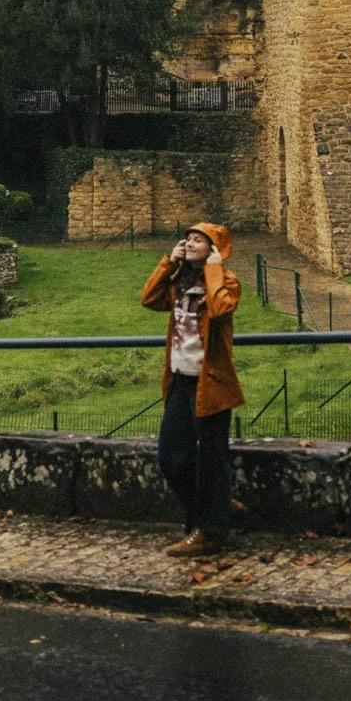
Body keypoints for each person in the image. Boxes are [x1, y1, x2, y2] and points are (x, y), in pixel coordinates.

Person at [141, 221, 244, 557]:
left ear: (215, 248)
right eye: (188, 238)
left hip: (210, 383)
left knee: (212, 460)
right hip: (179, 381)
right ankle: (218, 507)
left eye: (198, 239)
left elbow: (220, 308)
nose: (190, 242)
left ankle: (209, 532)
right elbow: (148, 299)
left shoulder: (226, 282)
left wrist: (214, 270)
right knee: (172, 458)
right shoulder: (178, 284)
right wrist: (168, 262)